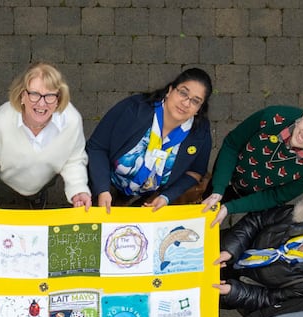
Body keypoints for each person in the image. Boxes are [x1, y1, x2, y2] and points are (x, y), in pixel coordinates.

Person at [201, 96, 303, 226]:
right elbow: (232, 145)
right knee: (209, 193)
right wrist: (218, 188)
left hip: (251, 194)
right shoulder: (271, 117)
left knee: (225, 203)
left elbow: (275, 196)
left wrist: (230, 208)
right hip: (229, 168)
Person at [86, 68, 213, 213]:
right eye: (183, 93)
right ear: (170, 90)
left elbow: (195, 172)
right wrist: (102, 189)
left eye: (195, 101)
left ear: (199, 109)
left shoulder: (200, 132)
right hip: (107, 180)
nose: (186, 103)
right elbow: (97, 147)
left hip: (149, 197)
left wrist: (167, 197)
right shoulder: (133, 109)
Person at [0, 62, 90, 211]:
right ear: (22, 96)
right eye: (34, 94)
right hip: (6, 178)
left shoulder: (72, 120)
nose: (42, 103)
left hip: (44, 179)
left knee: (40, 188)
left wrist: (78, 189)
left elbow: (74, 160)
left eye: (50, 95)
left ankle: (36, 196)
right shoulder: (3, 119)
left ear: (58, 98)